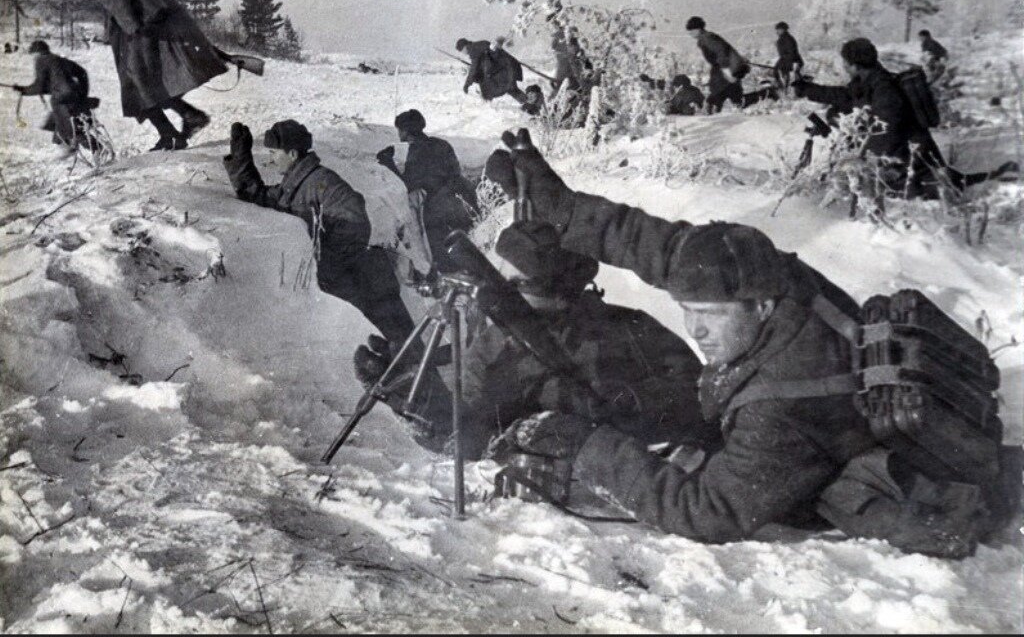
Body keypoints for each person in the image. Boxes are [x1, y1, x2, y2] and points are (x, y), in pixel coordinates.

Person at [482, 135, 1013, 558]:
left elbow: (708, 511)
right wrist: (565, 210)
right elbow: (669, 250)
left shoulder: (782, 404)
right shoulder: (777, 281)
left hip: (892, 481)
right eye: (689, 311)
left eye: (710, 315)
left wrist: (590, 447)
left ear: (758, 307)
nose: (696, 329)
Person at [353, 219, 716, 460]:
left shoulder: (630, 328)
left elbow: (703, 402)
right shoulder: (500, 344)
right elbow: (462, 431)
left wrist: (616, 407)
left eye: (511, 284)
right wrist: (410, 393)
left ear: (552, 291)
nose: (496, 291)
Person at [223, 120, 418, 349]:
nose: (270, 159)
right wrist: (240, 159)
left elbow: (355, 219)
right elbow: (261, 197)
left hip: (357, 281)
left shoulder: (322, 182)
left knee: (398, 352)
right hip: (348, 277)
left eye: (274, 153)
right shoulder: (297, 183)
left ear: (292, 154)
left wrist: (326, 264)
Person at [55, 0, 229, 151]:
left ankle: (176, 129)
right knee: (144, 82)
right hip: (148, 22)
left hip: (137, 27)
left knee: (136, 84)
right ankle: (185, 119)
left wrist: (130, 26)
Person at [793, 38, 1016, 199]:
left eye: (845, 62)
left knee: (929, 190)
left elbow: (888, 128)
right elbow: (843, 96)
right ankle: (989, 178)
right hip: (901, 153)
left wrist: (864, 157)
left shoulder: (883, 88)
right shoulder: (866, 82)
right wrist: (807, 89)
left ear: (854, 65)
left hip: (912, 156)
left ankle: (996, 179)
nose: (843, 66)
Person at [376, 110, 479, 273]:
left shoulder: (416, 150)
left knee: (443, 257)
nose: (399, 133)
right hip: (461, 201)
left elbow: (409, 185)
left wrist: (388, 163)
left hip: (439, 209)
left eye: (400, 129)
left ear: (406, 131)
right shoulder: (441, 143)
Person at [11, 40, 97, 153]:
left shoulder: (41, 60)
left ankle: (96, 149)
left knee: (69, 128)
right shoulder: (58, 59)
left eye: (33, 55)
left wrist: (24, 91)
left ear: (37, 53)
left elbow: (39, 86)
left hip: (61, 99)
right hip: (74, 96)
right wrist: (83, 94)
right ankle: (64, 147)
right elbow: (82, 73)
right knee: (57, 120)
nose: (33, 58)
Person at [686, 16, 749, 112]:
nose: (690, 33)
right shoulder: (706, 38)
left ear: (698, 29)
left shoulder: (707, 38)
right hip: (726, 69)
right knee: (733, 96)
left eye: (692, 30)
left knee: (718, 95)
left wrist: (727, 72)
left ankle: (769, 94)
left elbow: (721, 52)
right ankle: (767, 95)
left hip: (725, 69)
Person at [456, 37, 528, 103]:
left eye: (462, 51)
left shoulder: (472, 49)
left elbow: (474, 68)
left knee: (488, 90)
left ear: (464, 47)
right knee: (511, 89)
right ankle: (528, 103)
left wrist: (467, 84)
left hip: (503, 70)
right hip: (508, 67)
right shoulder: (479, 45)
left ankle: (487, 107)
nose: (463, 53)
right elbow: (486, 60)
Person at [773, 21, 804, 88]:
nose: (777, 31)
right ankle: (783, 88)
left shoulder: (787, 39)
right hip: (787, 60)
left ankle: (785, 89)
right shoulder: (783, 39)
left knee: (785, 75)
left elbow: (791, 52)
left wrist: (787, 63)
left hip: (791, 60)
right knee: (777, 72)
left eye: (779, 29)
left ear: (784, 30)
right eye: (777, 29)